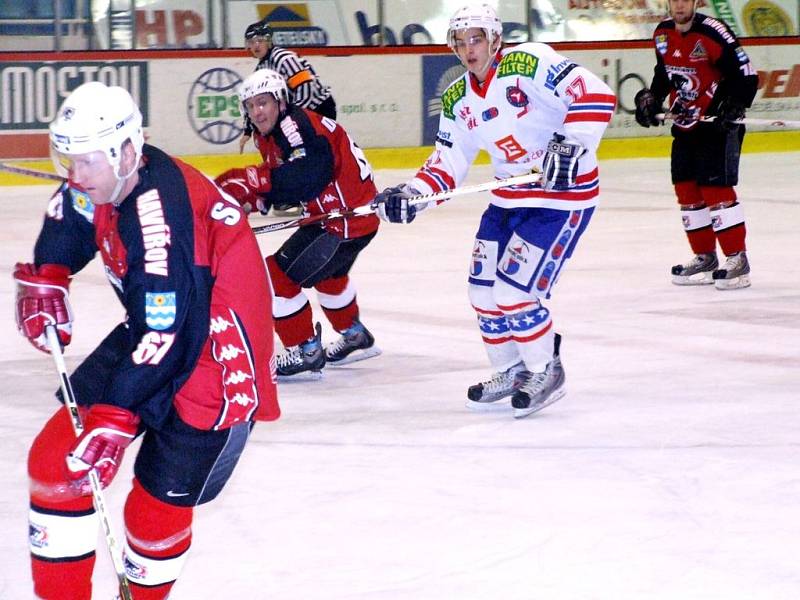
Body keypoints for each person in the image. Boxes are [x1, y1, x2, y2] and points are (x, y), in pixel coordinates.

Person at [14, 81, 279, 599]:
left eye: (87, 161)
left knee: (155, 508)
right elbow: (72, 210)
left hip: (216, 362)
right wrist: (51, 269)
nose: (76, 174)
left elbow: (172, 332)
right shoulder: (113, 180)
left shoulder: (159, 220)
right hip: (158, 331)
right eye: (69, 158)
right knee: (56, 465)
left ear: (129, 151)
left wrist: (115, 413)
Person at [374, 3, 616, 419]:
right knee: (482, 293)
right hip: (508, 199)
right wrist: (412, 194)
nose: (469, 49)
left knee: (515, 293)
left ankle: (545, 370)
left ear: (494, 39)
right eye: (461, 41)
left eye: (477, 39)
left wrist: (570, 146)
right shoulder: (457, 98)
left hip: (561, 199)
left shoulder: (529, 62)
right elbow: (448, 162)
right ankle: (511, 370)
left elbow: (596, 94)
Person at [215, 69, 380, 380]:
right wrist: (259, 199)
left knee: (275, 275)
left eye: (263, 103)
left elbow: (308, 176)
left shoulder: (294, 126)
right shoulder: (275, 132)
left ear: (280, 100)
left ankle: (304, 349)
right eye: (250, 106)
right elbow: (287, 180)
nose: (257, 111)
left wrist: (256, 180)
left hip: (338, 221)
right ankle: (354, 335)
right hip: (350, 218)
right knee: (330, 275)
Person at [634, 0, 758, 289]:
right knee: (687, 188)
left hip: (717, 123)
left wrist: (735, 103)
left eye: (684, 0)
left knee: (715, 189)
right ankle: (705, 256)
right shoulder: (662, 33)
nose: (679, 5)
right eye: (674, 0)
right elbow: (664, 73)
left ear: (694, 2)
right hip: (685, 122)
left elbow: (747, 75)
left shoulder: (714, 32)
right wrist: (651, 98)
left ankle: (737, 259)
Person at [238, 18, 336, 155]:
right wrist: (248, 130)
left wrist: (295, 115)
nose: (255, 46)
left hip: (320, 109)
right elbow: (253, 98)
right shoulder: (261, 69)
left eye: (260, 41)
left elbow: (305, 86)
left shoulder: (283, 58)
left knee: (317, 152)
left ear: (269, 41)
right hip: (303, 111)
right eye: (251, 42)